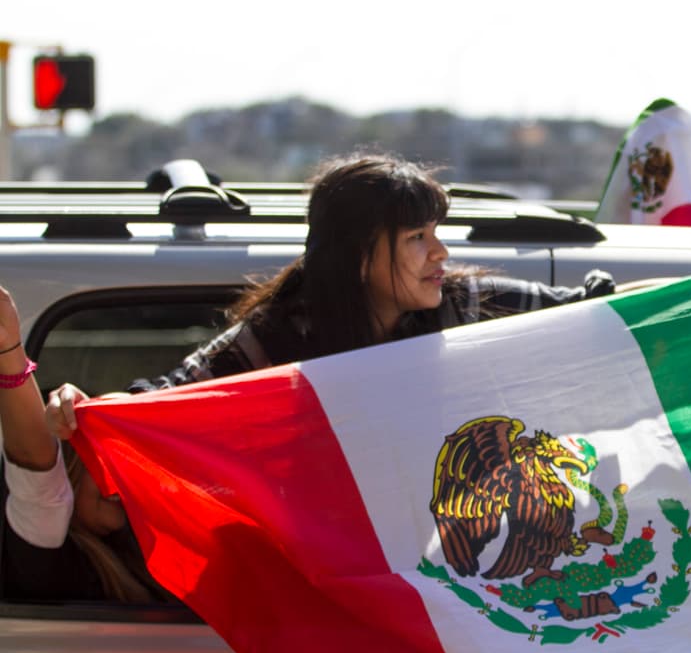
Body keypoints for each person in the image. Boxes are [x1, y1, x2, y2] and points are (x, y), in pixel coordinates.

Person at [46, 151, 616, 435]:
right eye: (418, 238)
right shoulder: (276, 337)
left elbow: (597, 308)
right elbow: (163, 406)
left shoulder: (460, 303)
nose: (441, 254)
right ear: (361, 255)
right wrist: (81, 405)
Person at [0, 286, 167, 602]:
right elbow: (35, 467)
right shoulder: (47, 557)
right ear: (68, 467)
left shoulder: (134, 541)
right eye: (99, 458)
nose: (117, 474)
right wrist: (9, 355)